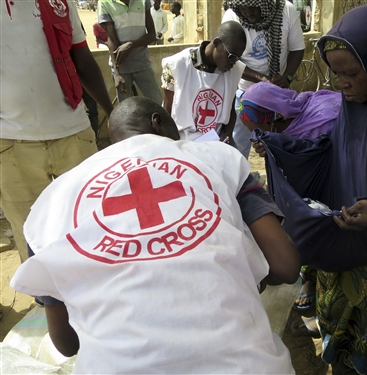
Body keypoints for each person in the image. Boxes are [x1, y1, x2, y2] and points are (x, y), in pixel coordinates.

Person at [10, 96, 301, 374]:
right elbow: (286, 266)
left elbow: (66, 344)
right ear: (158, 122)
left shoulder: (53, 202)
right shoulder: (217, 156)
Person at [254, 5, 367, 373]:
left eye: (351, 74)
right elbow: (330, 154)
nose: (342, 84)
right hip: (345, 255)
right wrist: (280, 146)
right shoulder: (353, 108)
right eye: (336, 74)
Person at [1, 0, 114, 264]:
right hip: (11, 143)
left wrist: (112, 111)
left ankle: (94, 297)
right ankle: (47, 303)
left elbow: (82, 58)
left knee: (91, 221)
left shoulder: (60, 2)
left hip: (74, 133)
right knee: (31, 234)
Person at [238, 82, 342, 311]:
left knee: (317, 222)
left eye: (259, 130)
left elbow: (321, 153)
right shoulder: (283, 123)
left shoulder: (325, 116)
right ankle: (309, 277)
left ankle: (319, 281)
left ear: (273, 118)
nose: (257, 137)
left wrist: (281, 146)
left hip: (337, 181)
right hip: (313, 182)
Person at [222, 0, 305, 158]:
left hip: (278, 94)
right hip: (244, 93)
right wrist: (261, 79)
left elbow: (297, 48)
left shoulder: (286, 11)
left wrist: (287, 76)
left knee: (275, 142)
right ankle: (241, 180)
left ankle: (275, 179)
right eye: (243, 8)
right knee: (239, 143)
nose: (247, 12)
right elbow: (230, 57)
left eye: (253, 7)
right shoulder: (232, 15)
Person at [161, 21, 246, 142]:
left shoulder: (232, 70)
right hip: (180, 137)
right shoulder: (176, 65)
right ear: (217, 43)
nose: (234, 62)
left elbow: (229, 106)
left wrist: (228, 132)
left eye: (238, 58)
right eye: (232, 56)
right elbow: (167, 109)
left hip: (216, 137)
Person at [98, 0, 163, 104]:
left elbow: (151, 35)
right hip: (121, 68)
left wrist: (131, 45)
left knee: (157, 103)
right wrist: (117, 74)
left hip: (143, 64)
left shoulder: (143, 1)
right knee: (126, 110)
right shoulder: (105, 2)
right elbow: (112, 40)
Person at [238, 81, 341, 138]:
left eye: (257, 132)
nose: (256, 137)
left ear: (270, 124)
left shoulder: (323, 123)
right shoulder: (286, 132)